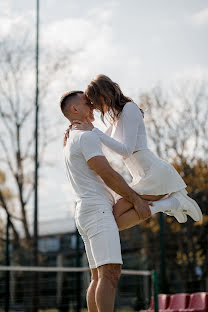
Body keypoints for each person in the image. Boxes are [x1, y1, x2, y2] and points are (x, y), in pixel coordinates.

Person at [60, 91, 187, 312]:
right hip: (97, 211)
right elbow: (108, 174)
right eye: (87, 103)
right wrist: (135, 199)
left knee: (98, 276)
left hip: (85, 212)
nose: (92, 106)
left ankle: (168, 205)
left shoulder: (72, 138)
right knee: (110, 273)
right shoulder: (85, 137)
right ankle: (169, 204)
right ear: (74, 110)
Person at [70, 74, 202, 231]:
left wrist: (94, 131)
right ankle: (171, 203)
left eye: (94, 101)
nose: (95, 107)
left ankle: (173, 203)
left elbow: (127, 149)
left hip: (154, 175)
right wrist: (80, 131)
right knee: (115, 220)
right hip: (141, 177)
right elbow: (101, 144)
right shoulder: (116, 118)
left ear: (103, 94)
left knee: (114, 220)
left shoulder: (129, 109)